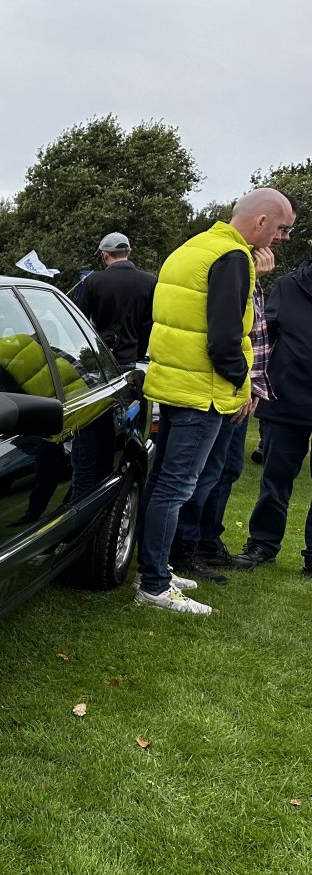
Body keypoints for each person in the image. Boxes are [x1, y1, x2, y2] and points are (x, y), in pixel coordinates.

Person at [134, 187, 296, 614]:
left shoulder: (193, 247)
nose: (282, 237)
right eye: (282, 228)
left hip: (173, 386)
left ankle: (152, 569)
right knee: (176, 488)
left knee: (161, 484)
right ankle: (154, 583)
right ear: (261, 222)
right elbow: (225, 341)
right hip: (201, 394)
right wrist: (242, 384)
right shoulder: (232, 257)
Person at [231, 238, 312, 576]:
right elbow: (261, 332)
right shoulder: (288, 286)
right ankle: (262, 544)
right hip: (287, 399)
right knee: (276, 479)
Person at [73, 232, 156, 369]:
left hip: (100, 359)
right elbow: (148, 324)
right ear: (128, 252)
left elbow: (79, 320)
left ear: (105, 255)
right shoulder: (149, 281)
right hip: (130, 358)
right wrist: (139, 353)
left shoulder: (93, 281)